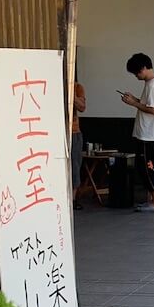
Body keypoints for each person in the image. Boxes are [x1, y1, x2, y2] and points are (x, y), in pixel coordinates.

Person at [120, 52, 154, 212]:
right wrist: (136, 100)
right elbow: (148, 104)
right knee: (148, 168)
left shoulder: (153, 84)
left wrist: (133, 103)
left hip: (149, 136)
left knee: (148, 168)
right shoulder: (151, 84)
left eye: (137, 72)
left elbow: (153, 110)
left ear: (144, 68)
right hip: (148, 135)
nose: (136, 76)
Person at [71, 81, 86, 210]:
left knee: (75, 166)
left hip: (73, 132)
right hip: (55, 132)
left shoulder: (77, 87)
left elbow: (82, 107)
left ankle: (73, 199)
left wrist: (72, 95)